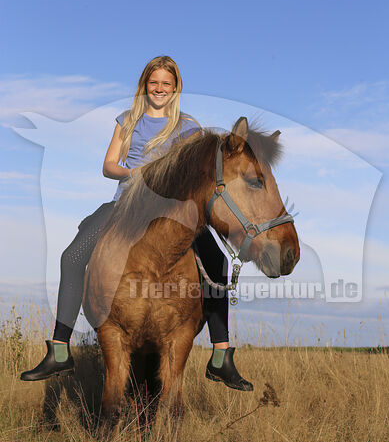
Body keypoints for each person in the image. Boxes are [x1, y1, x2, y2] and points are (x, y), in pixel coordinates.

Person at [20, 56, 253, 391]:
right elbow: (109, 165)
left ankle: (221, 356)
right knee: (71, 257)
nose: (159, 89)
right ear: (145, 85)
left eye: (165, 84)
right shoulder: (128, 120)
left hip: (173, 211)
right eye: (153, 83)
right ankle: (59, 350)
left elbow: (195, 172)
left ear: (175, 88)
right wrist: (136, 172)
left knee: (215, 261)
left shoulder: (189, 126)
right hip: (126, 203)